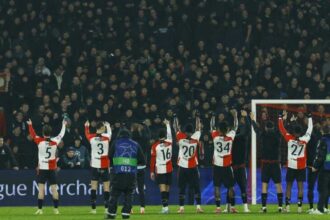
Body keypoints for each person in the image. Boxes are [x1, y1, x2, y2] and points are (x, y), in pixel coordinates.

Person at [27, 118, 66, 215]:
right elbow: (62, 134)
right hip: (52, 169)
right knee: (54, 189)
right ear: (50, 132)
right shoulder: (55, 141)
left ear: (43, 133)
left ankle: (40, 210)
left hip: (43, 169)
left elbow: (32, 134)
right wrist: (64, 124)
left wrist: (30, 125)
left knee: (41, 189)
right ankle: (56, 210)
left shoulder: (39, 140)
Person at [106, 128, 146, 219]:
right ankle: (126, 213)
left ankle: (111, 214)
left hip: (118, 173)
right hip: (131, 174)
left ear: (119, 135)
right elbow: (142, 161)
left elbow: (109, 156)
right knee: (129, 194)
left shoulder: (116, 143)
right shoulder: (136, 144)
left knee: (115, 193)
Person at [278, 110, 313, 213]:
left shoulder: (289, 138)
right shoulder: (304, 139)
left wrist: (280, 117)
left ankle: (287, 207)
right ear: (301, 132)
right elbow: (310, 129)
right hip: (301, 166)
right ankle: (299, 207)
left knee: (289, 186)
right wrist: (310, 117)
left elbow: (281, 129)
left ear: (293, 132)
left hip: (291, 165)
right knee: (300, 186)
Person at [250, 112, 284, 212]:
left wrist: (252, 120)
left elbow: (256, 129)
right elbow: (281, 129)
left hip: (266, 164)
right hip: (275, 164)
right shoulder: (277, 136)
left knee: (264, 184)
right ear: (273, 128)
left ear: (265, 128)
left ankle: (264, 207)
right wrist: (282, 119)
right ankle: (280, 207)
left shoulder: (263, 135)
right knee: (278, 184)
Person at [173, 113, 203, 214]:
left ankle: (181, 208)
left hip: (182, 166)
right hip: (193, 166)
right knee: (196, 187)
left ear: (185, 131)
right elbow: (198, 128)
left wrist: (175, 118)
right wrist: (198, 118)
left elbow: (176, 128)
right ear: (192, 131)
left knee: (182, 187)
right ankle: (198, 207)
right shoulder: (195, 137)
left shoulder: (180, 137)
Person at [210, 109, 238, 213]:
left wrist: (213, 117)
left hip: (217, 165)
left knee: (217, 186)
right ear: (226, 129)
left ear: (219, 129)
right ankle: (233, 207)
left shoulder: (215, 137)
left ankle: (218, 208)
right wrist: (235, 116)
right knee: (230, 186)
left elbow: (211, 127)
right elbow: (235, 127)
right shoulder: (230, 136)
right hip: (227, 166)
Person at [224, 110, 250, 213]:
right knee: (236, 187)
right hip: (236, 166)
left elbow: (245, 130)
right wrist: (246, 117)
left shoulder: (234, 137)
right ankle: (233, 207)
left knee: (236, 187)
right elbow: (246, 130)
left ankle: (235, 207)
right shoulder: (238, 136)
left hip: (236, 166)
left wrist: (246, 117)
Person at [85, 121, 112, 214]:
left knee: (93, 187)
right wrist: (108, 126)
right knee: (106, 188)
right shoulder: (107, 137)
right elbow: (110, 133)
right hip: (104, 165)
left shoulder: (91, 137)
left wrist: (87, 126)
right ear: (101, 128)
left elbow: (86, 133)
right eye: (103, 127)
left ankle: (93, 209)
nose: (104, 129)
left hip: (95, 164)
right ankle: (106, 209)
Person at [150, 119, 173, 214]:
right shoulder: (170, 142)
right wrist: (168, 124)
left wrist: (151, 171)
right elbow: (170, 134)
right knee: (167, 189)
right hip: (169, 168)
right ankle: (166, 207)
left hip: (160, 169)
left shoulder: (155, 146)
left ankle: (165, 208)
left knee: (162, 189)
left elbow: (152, 160)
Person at [310, 124, 330, 215]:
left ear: (322, 131)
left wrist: (315, 166)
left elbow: (320, 155)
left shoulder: (323, 141)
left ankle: (320, 209)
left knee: (322, 188)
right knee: (328, 189)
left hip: (325, 168)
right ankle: (325, 208)